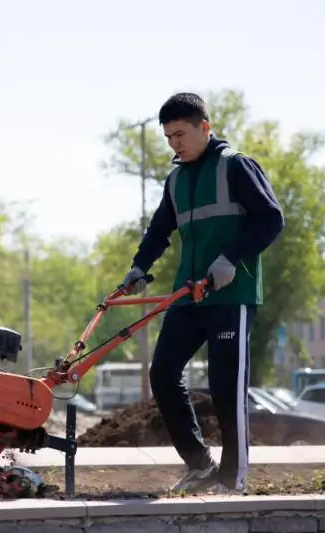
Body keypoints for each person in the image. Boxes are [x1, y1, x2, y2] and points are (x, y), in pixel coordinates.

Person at [122, 92, 284, 495]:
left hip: (232, 295)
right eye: (168, 137)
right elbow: (160, 229)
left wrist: (231, 258)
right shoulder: (177, 180)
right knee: (161, 373)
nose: (175, 143)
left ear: (204, 128)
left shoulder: (236, 166)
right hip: (188, 296)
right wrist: (140, 265)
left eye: (180, 133)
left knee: (225, 385)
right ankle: (200, 464)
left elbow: (271, 219)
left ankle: (233, 479)